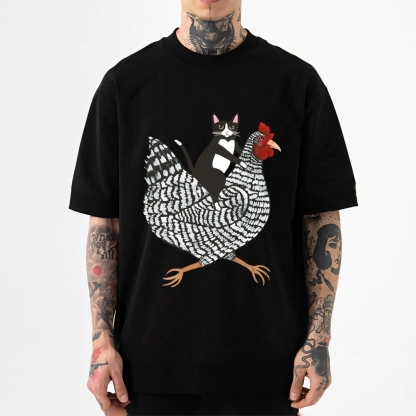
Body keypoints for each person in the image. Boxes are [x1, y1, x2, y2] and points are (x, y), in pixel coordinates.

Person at [69, 0, 358, 415]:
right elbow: (105, 226)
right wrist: (102, 343)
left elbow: (321, 221)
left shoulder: (296, 83)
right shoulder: (125, 85)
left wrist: (318, 339)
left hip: (269, 374)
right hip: (148, 373)